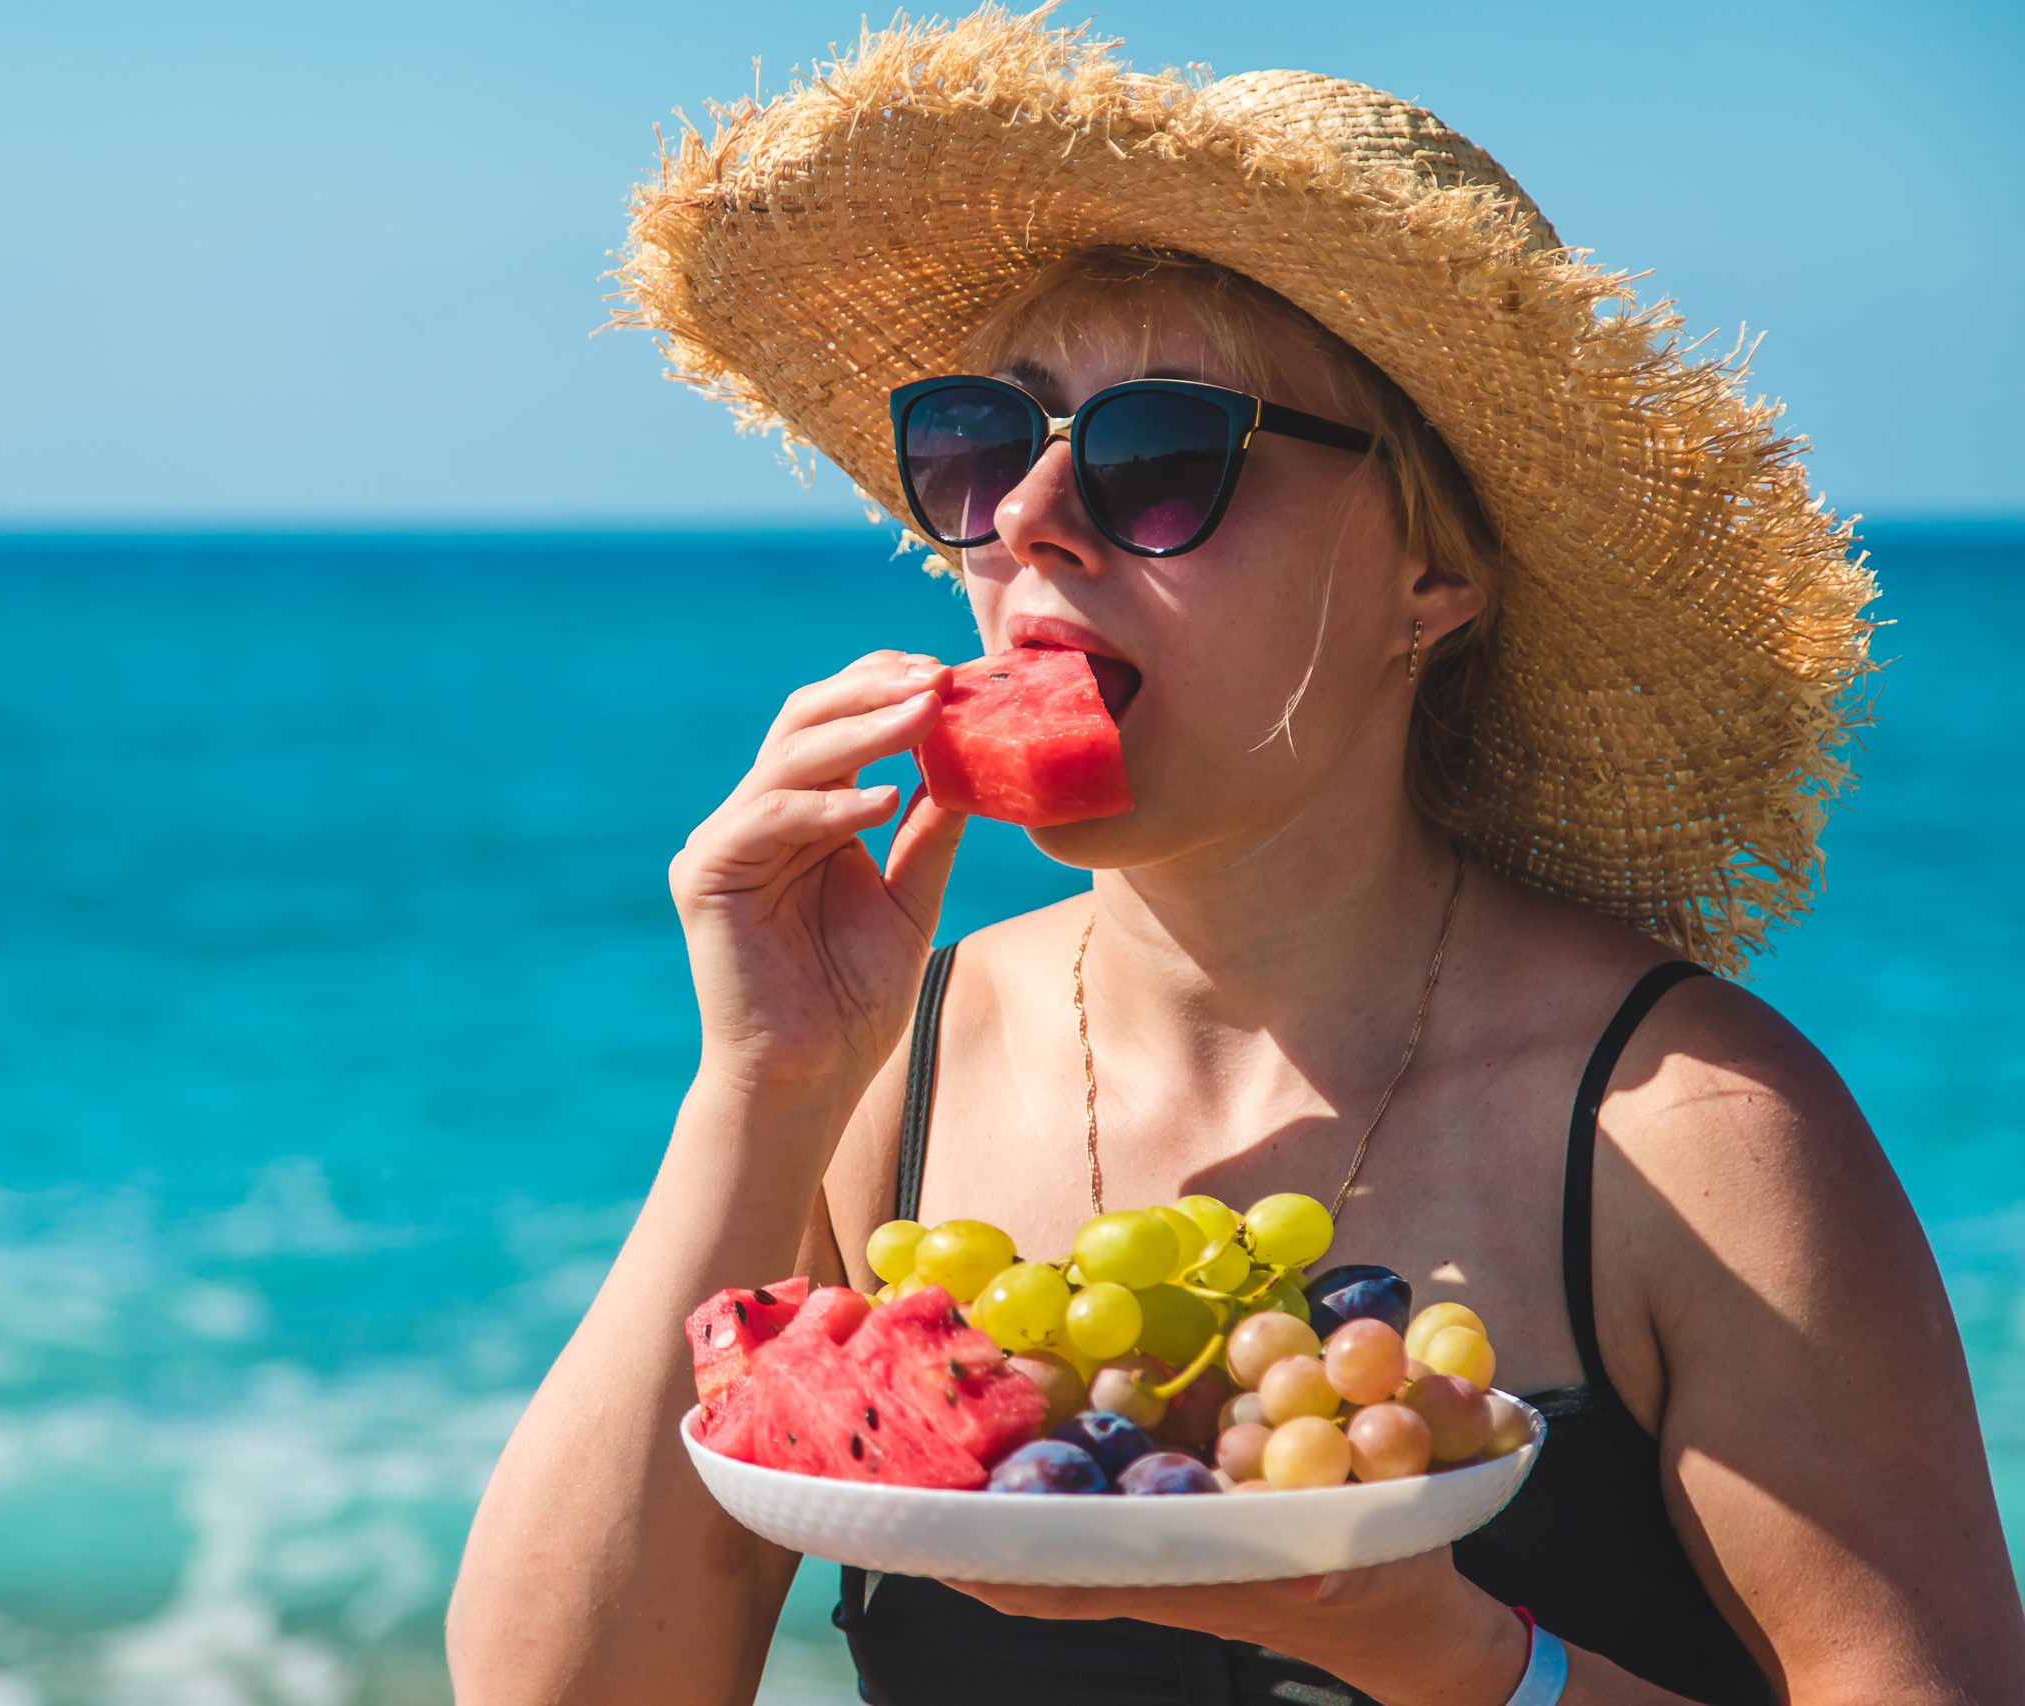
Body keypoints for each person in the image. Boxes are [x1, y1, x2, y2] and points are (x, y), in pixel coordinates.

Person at [447, 12, 2025, 1704]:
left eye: (1158, 457)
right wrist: (761, 1084)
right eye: (983, 442)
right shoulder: (882, 1079)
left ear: (1434, 575)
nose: (1027, 517)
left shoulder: (1695, 1134)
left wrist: (1456, 1659)